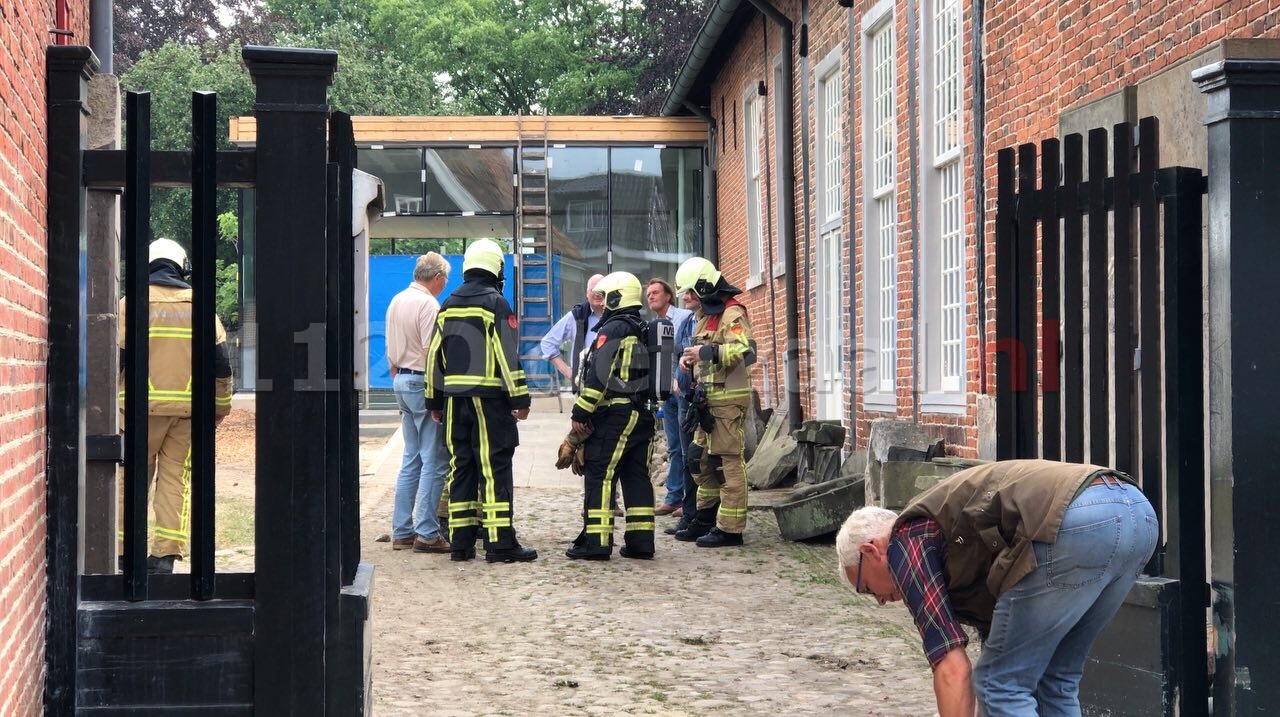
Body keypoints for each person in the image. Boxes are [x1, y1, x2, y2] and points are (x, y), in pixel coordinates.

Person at [835, 459, 1158, 717]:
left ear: (871, 550)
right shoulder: (940, 532)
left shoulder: (906, 539)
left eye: (866, 587)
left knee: (999, 683)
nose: (880, 600)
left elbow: (952, 667)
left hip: (1076, 519)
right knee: (1054, 679)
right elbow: (1002, 636)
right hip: (1135, 511)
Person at [117, 238, 233, 574]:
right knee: (174, 479)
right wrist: (220, 408)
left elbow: (115, 360)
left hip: (135, 412)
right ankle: (165, 555)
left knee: (130, 479)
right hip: (186, 415)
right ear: (181, 266)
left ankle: (125, 553)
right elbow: (221, 365)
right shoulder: (200, 305)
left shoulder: (130, 304)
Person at [426, 238, 537, 563]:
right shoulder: (496, 303)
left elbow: (434, 355)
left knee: (461, 468)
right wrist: (521, 398)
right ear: (496, 267)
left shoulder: (448, 304)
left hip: (454, 403)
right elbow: (507, 355)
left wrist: (434, 401)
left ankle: (460, 543)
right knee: (494, 470)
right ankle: (501, 544)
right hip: (489, 403)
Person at [564, 271, 658, 561]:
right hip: (642, 414)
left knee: (599, 474)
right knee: (636, 477)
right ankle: (641, 543)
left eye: (606, 297)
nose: (602, 304)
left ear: (618, 296)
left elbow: (599, 375)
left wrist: (580, 412)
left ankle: (596, 542)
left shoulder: (614, 329)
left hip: (615, 415)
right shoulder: (642, 327)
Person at [673, 257, 755, 548]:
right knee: (698, 459)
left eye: (689, 292)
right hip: (707, 400)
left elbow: (744, 350)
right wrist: (689, 361)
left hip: (728, 400)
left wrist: (703, 353)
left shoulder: (731, 312)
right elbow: (705, 352)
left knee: (727, 462)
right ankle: (706, 517)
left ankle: (731, 530)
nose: (685, 297)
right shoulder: (707, 315)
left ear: (705, 288)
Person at [385, 252, 452, 554]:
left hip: (400, 379)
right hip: (420, 381)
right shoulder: (429, 304)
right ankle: (427, 531)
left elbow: (389, 350)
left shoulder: (397, 300)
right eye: (445, 279)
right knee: (434, 460)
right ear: (437, 277)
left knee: (411, 457)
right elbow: (432, 352)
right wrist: (437, 393)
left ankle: (402, 531)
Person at [645, 278, 693, 517]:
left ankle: (688, 501)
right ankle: (673, 498)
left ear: (668, 296)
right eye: (648, 294)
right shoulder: (654, 324)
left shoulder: (683, 318)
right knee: (674, 447)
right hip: (667, 395)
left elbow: (687, 351)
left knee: (686, 448)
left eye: (655, 292)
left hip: (683, 390)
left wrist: (677, 377)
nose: (650, 297)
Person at [664, 288, 701, 537]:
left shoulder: (714, 320)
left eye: (689, 292)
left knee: (701, 460)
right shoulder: (689, 321)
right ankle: (689, 516)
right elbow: (679, 353)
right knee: (687, 456)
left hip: (705, 399)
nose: (685, 297)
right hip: (685, 396)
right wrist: (677, 376)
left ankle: (701, 516)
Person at [540, 273, 606, 392]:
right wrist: (570, 372)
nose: (597, 294)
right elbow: (547, 343)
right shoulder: (577, 316)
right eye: (593, 290)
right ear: (587, 293)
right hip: (584, 386)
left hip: (611, 386)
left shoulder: (616, 316)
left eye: (601, 290)